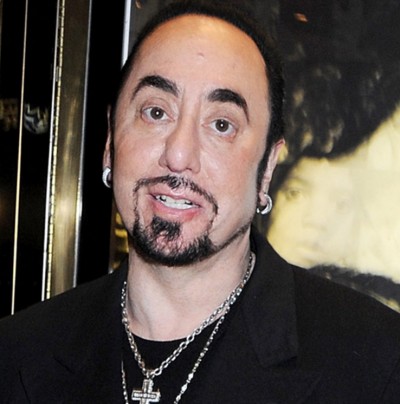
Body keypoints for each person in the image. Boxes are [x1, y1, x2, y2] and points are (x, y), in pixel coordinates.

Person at [1, 1, 400, 402]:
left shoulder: (375, 364)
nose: (179, 154)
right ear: (110, 142)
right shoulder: (17, 353)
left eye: (221, 125)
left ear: (266, 168)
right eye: (156, 112)